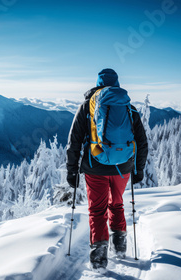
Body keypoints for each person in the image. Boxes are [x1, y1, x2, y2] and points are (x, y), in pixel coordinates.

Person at [66, 68, 148, 270]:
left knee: (97, 210)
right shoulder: (129, 107)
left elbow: (74, 141)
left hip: (95, 167)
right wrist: (138, 169)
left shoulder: (88, 106)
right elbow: (142, 142)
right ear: (117, 84)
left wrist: (72, 171)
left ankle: (99, 256)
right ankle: (120, 246)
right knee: (117, 204)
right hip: (123, 167)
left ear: (98, 83)